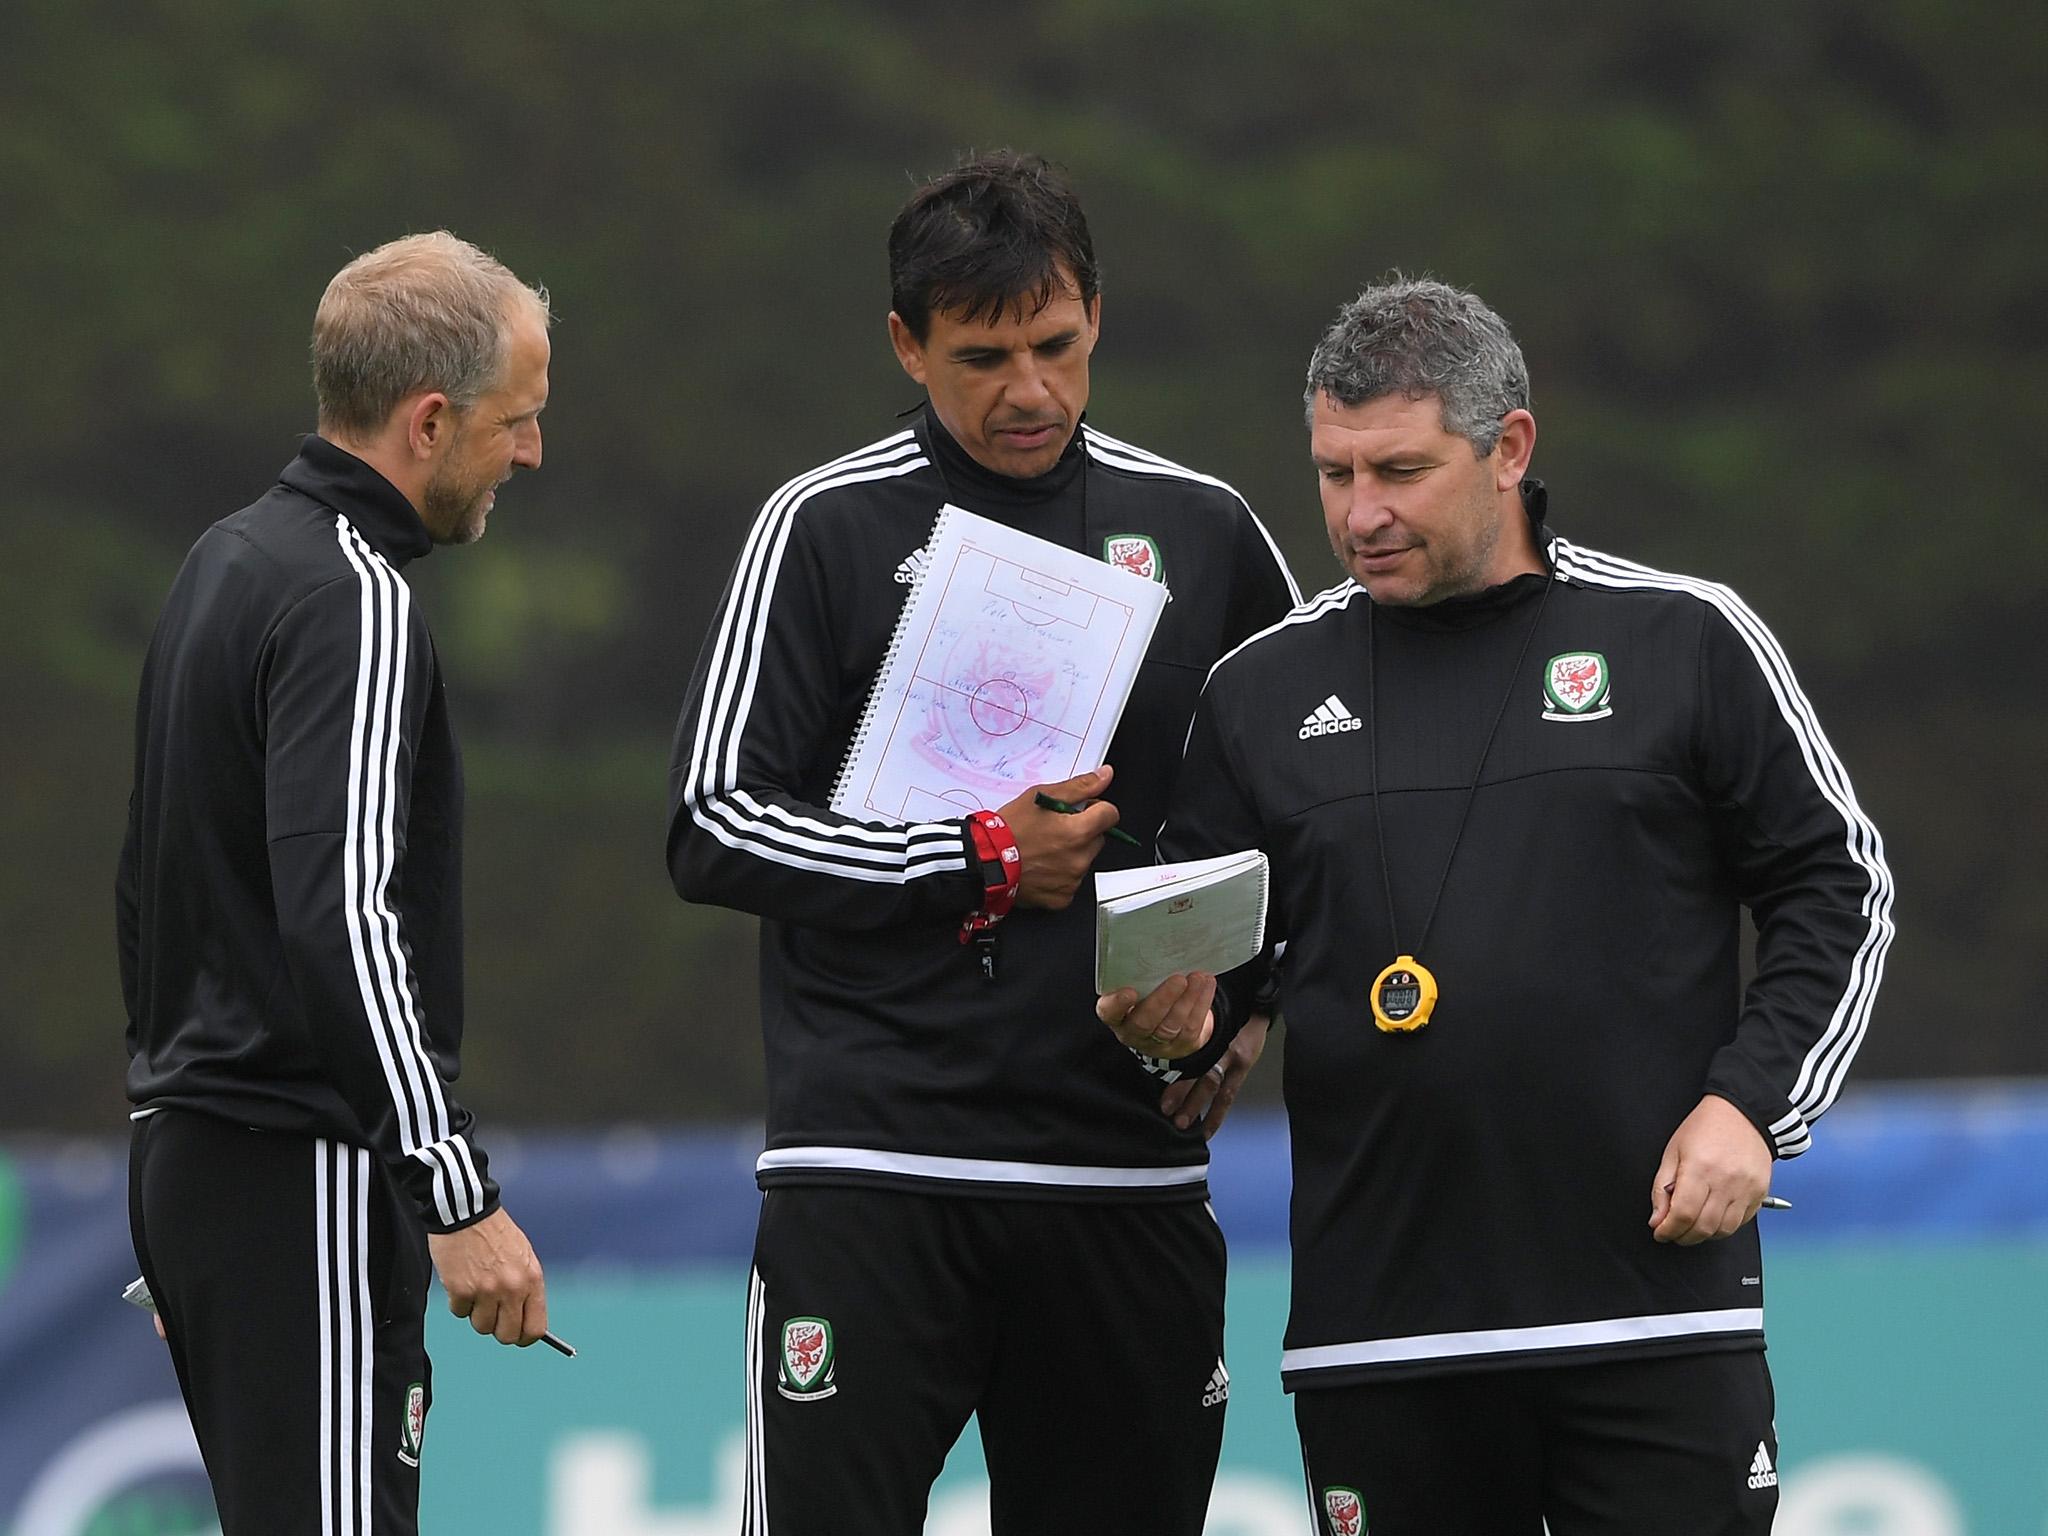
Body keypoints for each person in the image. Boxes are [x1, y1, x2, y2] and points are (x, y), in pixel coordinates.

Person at [1101, 276, 1895, 1534]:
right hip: (1380, 1339)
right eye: (1332, 473)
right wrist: (1167, 1026)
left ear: (1508, 448)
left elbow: (1835, 886)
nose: (1359, 514)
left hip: (1650, 1316)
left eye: (1400, 471)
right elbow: (1212, 983)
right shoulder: (1259, 691)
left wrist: (1750, 1106)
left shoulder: (1679, 638)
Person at [666, 151, 1300, 1535]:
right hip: (879, 1174)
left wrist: (1248, 1012)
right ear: (907, 343)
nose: (1030, 391)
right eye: (983, 355)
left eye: (1057, 346)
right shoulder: (823, 526)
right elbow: (712, 825)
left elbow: (1315, 816)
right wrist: (981, 858)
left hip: (1123, 1181)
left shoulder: (1204, 530)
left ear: (1097, 319)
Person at [119, 231, 554, 1536]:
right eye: (516, 420)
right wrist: (452, 1191)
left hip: (205, 1159)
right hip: (294, 1165)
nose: (531, 453)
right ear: (429, 420)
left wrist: (178, 1127)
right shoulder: (352, 599)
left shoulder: (227, 560)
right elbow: (344, 915)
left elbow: (150, 893)